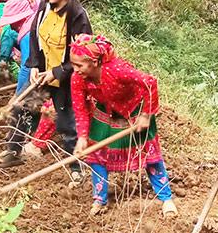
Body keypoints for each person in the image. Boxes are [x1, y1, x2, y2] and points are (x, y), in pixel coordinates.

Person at [69, 34, 178, 217]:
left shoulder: (117, 70)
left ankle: (166, 198)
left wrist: (146, 115)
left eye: (79, 65)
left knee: (149, 155)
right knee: (95, 151)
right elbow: (80, 108)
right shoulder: (77, 79)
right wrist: (81, 137)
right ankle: (99, 199)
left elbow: (149, 83)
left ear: (94, 62)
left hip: (135, 110)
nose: (75, 69)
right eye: (73, 64)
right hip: (106, 111)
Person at [27, 0, 92, 182]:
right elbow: (34, 34)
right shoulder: (45, 6)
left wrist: (57, 72)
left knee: (66, 123)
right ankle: (15, 150)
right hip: (44, 72)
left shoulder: (77, 15)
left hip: (66, 77)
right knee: (26, 108)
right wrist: (35, 64)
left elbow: (82, 53)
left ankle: (76, 166)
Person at [0, 0, 38, 168]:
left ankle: (17, 149)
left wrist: (18, 93)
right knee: (30, 108)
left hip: (39, 73)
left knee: (20, 108)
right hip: (42, 71)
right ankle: (22, 144)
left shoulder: (24, 34)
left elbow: (26, 66)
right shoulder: (27, 26)